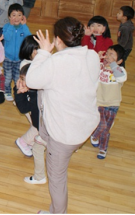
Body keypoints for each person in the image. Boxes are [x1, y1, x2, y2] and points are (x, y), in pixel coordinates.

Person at [26, 19, 100, 214]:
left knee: (57, 178)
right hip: (85, 124)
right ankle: (45, 138)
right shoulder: (92, 55)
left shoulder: (56, 62)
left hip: (65, 135)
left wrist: (43, 52)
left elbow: (32, 80)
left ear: (58, 40)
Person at [91, 44, 127, 159]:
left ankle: (103, 148)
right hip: (99, 102)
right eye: (107, 53)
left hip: (113, 104)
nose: (107, 56)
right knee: (102, 125)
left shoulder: (120, 70)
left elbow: (121, 78)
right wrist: (96, 59)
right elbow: (89, 71)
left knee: (106, 128)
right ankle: (94, 136)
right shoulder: (100, 67)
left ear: (119, 61)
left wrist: (113, 64)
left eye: (111, 55)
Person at [15, 35, 42, 160]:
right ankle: (23, 141)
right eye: (35, 49)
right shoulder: (26, 64)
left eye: (40, 48)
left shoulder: (37, 62)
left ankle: (30, 142)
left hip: (34, 100)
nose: (38, 52)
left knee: (38, 125)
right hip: (28, 101)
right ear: (28, 49)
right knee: (38, 125)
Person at [2, 4, 31, 101]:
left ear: (23, 16)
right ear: (9, 17)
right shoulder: (6, 27)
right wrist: (11, 26)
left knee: (17, 78)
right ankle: (7, 91)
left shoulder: (24, 28)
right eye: (14, 15)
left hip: (19, 59)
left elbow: (28, 38)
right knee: (7, 77)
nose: (17, 18)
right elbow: (7, 37)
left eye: (19, 15)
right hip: (7, 58)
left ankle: (17, 94)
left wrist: (24, 25)